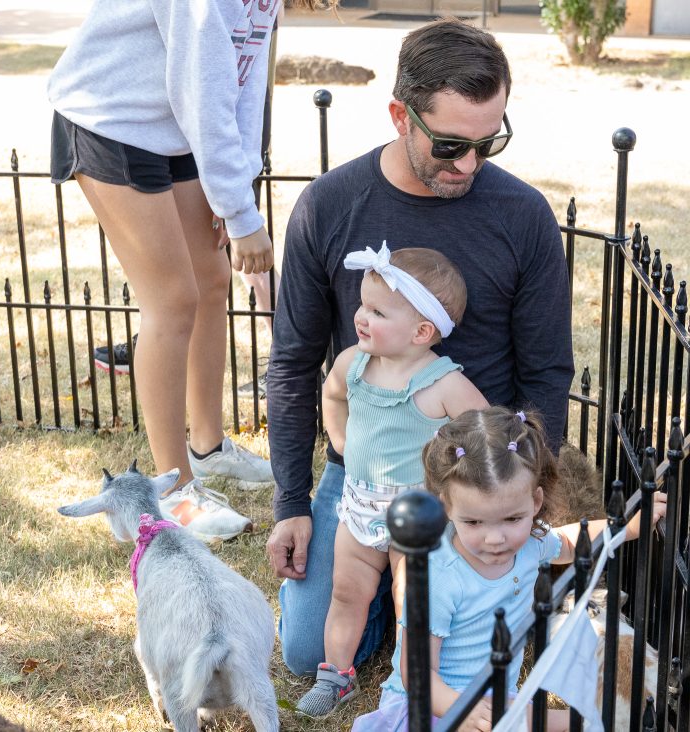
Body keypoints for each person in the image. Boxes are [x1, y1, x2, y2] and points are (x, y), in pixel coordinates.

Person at [265, 17, 575, 676]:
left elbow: (546, 371)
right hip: (366, 473)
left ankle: (419, 595)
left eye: (488, 141)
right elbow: (294, 364)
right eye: (451, 143)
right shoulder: (328, 206)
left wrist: (520, 491)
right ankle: (383, 592)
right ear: (400, 115)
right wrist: (292, 504)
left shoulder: (522, 217)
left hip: (472, 473)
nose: (469, 163)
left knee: (479, 647)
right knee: (305, 653)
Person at [48, 0, 321, 542]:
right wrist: (241, 216)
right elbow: (203, 88)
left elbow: (243, 82)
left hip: (177, 125)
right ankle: (173, 489)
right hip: (112, 119)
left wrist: (236, 191)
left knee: (212, 280)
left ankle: (209, 446)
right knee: (172, 300)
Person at [351, 407, 666, 731]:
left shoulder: (530, 543)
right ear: (447, 506)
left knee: (581, 722)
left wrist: (626, 528)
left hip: (499, 699)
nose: (495, 538)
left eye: (512, 519)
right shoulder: (438, 578)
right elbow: (417, 675)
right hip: (434, 704)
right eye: (473, 522)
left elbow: (572, 543)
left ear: (535, 502)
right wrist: (465, 710)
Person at [294, 245, 487, 717]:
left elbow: (486, 433)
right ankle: (337, 675)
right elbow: (333, 395)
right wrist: (339, 437)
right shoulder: (353, 364)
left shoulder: (441, 382)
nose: (361, 317)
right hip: (358, 505)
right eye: (362, 305)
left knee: (412, 602)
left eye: (377, 311)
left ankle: (411, 679)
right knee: (346, 590)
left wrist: (457, 476)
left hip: (416, 515)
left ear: (423, 332)